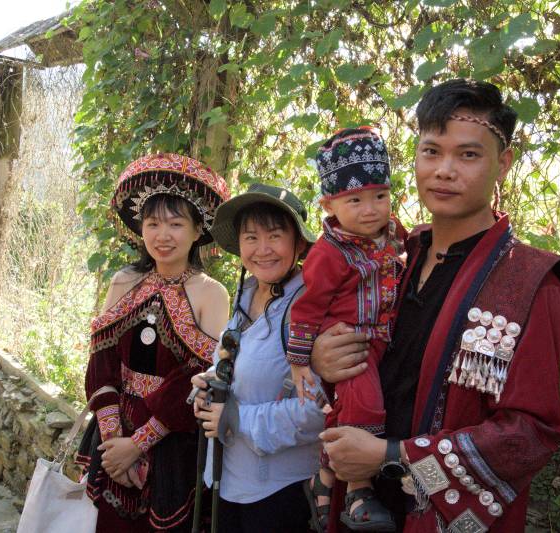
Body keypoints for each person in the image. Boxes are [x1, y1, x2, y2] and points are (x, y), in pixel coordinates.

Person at [310, 79, 560, 532]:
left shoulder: (529, 281)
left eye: (468, 155)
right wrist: (321, 357)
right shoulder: (388, 258)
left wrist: (393, 456)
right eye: (431, 152)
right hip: (357, 503)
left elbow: (530, 435)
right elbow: (330, 332)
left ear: (503, 163)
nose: (444, 170)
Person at [76, 153, 231, 532]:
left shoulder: (212, 294)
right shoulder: (123, 282)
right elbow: (102, 361)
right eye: (153, 223)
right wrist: (114, 442)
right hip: (113, 432)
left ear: (198, 230)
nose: (163, 236)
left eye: (176, 224)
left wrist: (138, 445)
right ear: (140, 229)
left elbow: (201, 376)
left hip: (172, 439)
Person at [285, 127, 405, 532]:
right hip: (351, 344)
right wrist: (300, 361)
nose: (370, 208)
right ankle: (358, 490)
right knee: (363, 406)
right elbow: (307, 308)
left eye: (380, 196)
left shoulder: (394, 237)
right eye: (355, 199)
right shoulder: (330, 252)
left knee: (354, 409)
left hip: (383, 339)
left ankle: (321, 482)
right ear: (331, 204)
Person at [191, 183, 325, 533]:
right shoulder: (246, 295)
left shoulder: (308, 312)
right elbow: (239, 366)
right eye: (250, 237)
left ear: (298, 243)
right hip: (227, 481)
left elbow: (318, 413)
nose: (262, 249)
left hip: (277, 495)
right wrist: (209, 383)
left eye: (275, 236)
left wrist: (237, 418)